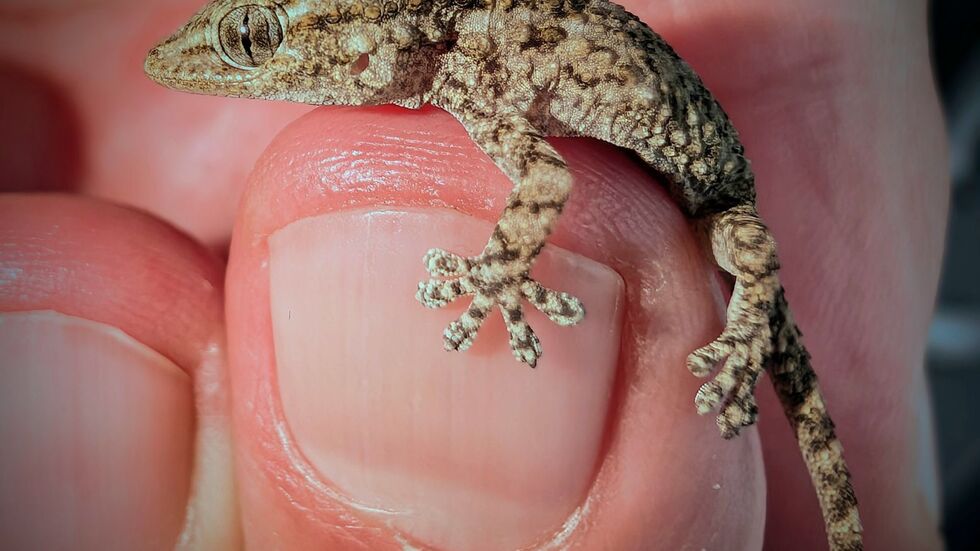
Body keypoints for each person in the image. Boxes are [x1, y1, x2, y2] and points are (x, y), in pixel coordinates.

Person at [0, 0, 946, 549]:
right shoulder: (463, 63)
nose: (233, 61)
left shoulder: (478, 69)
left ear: (358, 37)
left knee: (751, 287)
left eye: (256, 40)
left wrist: (499, 273)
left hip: (719, 206)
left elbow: (545, 177)